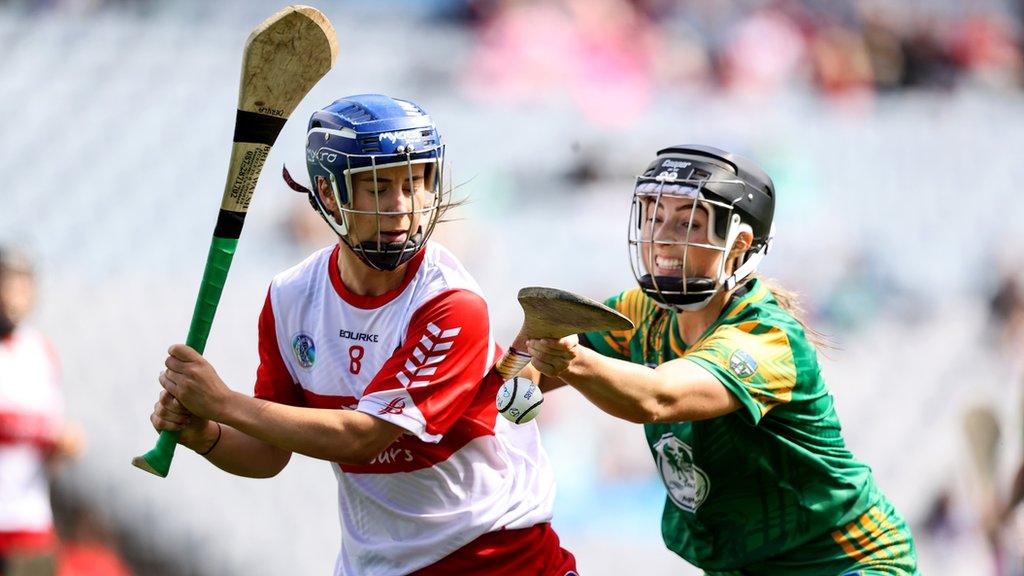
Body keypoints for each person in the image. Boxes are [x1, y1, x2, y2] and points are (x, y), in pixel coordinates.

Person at [149, 94, 576, 576]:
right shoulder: (291, 298)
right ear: (330, 195)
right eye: (377, 187)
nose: (402, 209)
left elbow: (365, 438)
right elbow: (269, 452)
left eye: (415, 184)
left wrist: (222, 403)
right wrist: (203, 432)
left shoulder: (451, 303)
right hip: (375, 565)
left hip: (498, 558)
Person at [523, 145, 919, 575]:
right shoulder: (641, 312)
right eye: (655, 219)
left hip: (845, 562)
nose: (662, 237)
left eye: (687, 223)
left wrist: (566, 359)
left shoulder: (763, 338)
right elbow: (532, 368)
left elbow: (657, 398)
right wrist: (519, 374)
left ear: (738, 245)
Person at [0, 248, 83, 576]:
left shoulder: (41, 352)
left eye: (22, 284)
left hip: (27, 524)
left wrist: (64, 445)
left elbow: (52, 438)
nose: (13, 293)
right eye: (7, 282)